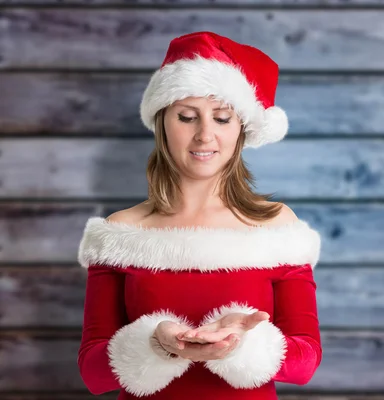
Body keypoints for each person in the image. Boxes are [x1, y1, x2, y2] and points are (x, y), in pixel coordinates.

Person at [76, 31, 322, 399]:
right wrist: (156, 344)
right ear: (162, 123)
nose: (205, 135)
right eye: (188, 117)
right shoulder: (121, 232)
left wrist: (242, 347)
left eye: (222, 118)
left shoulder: (275, 226)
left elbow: (306, 361)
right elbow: (93, 371)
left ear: (241, 130)